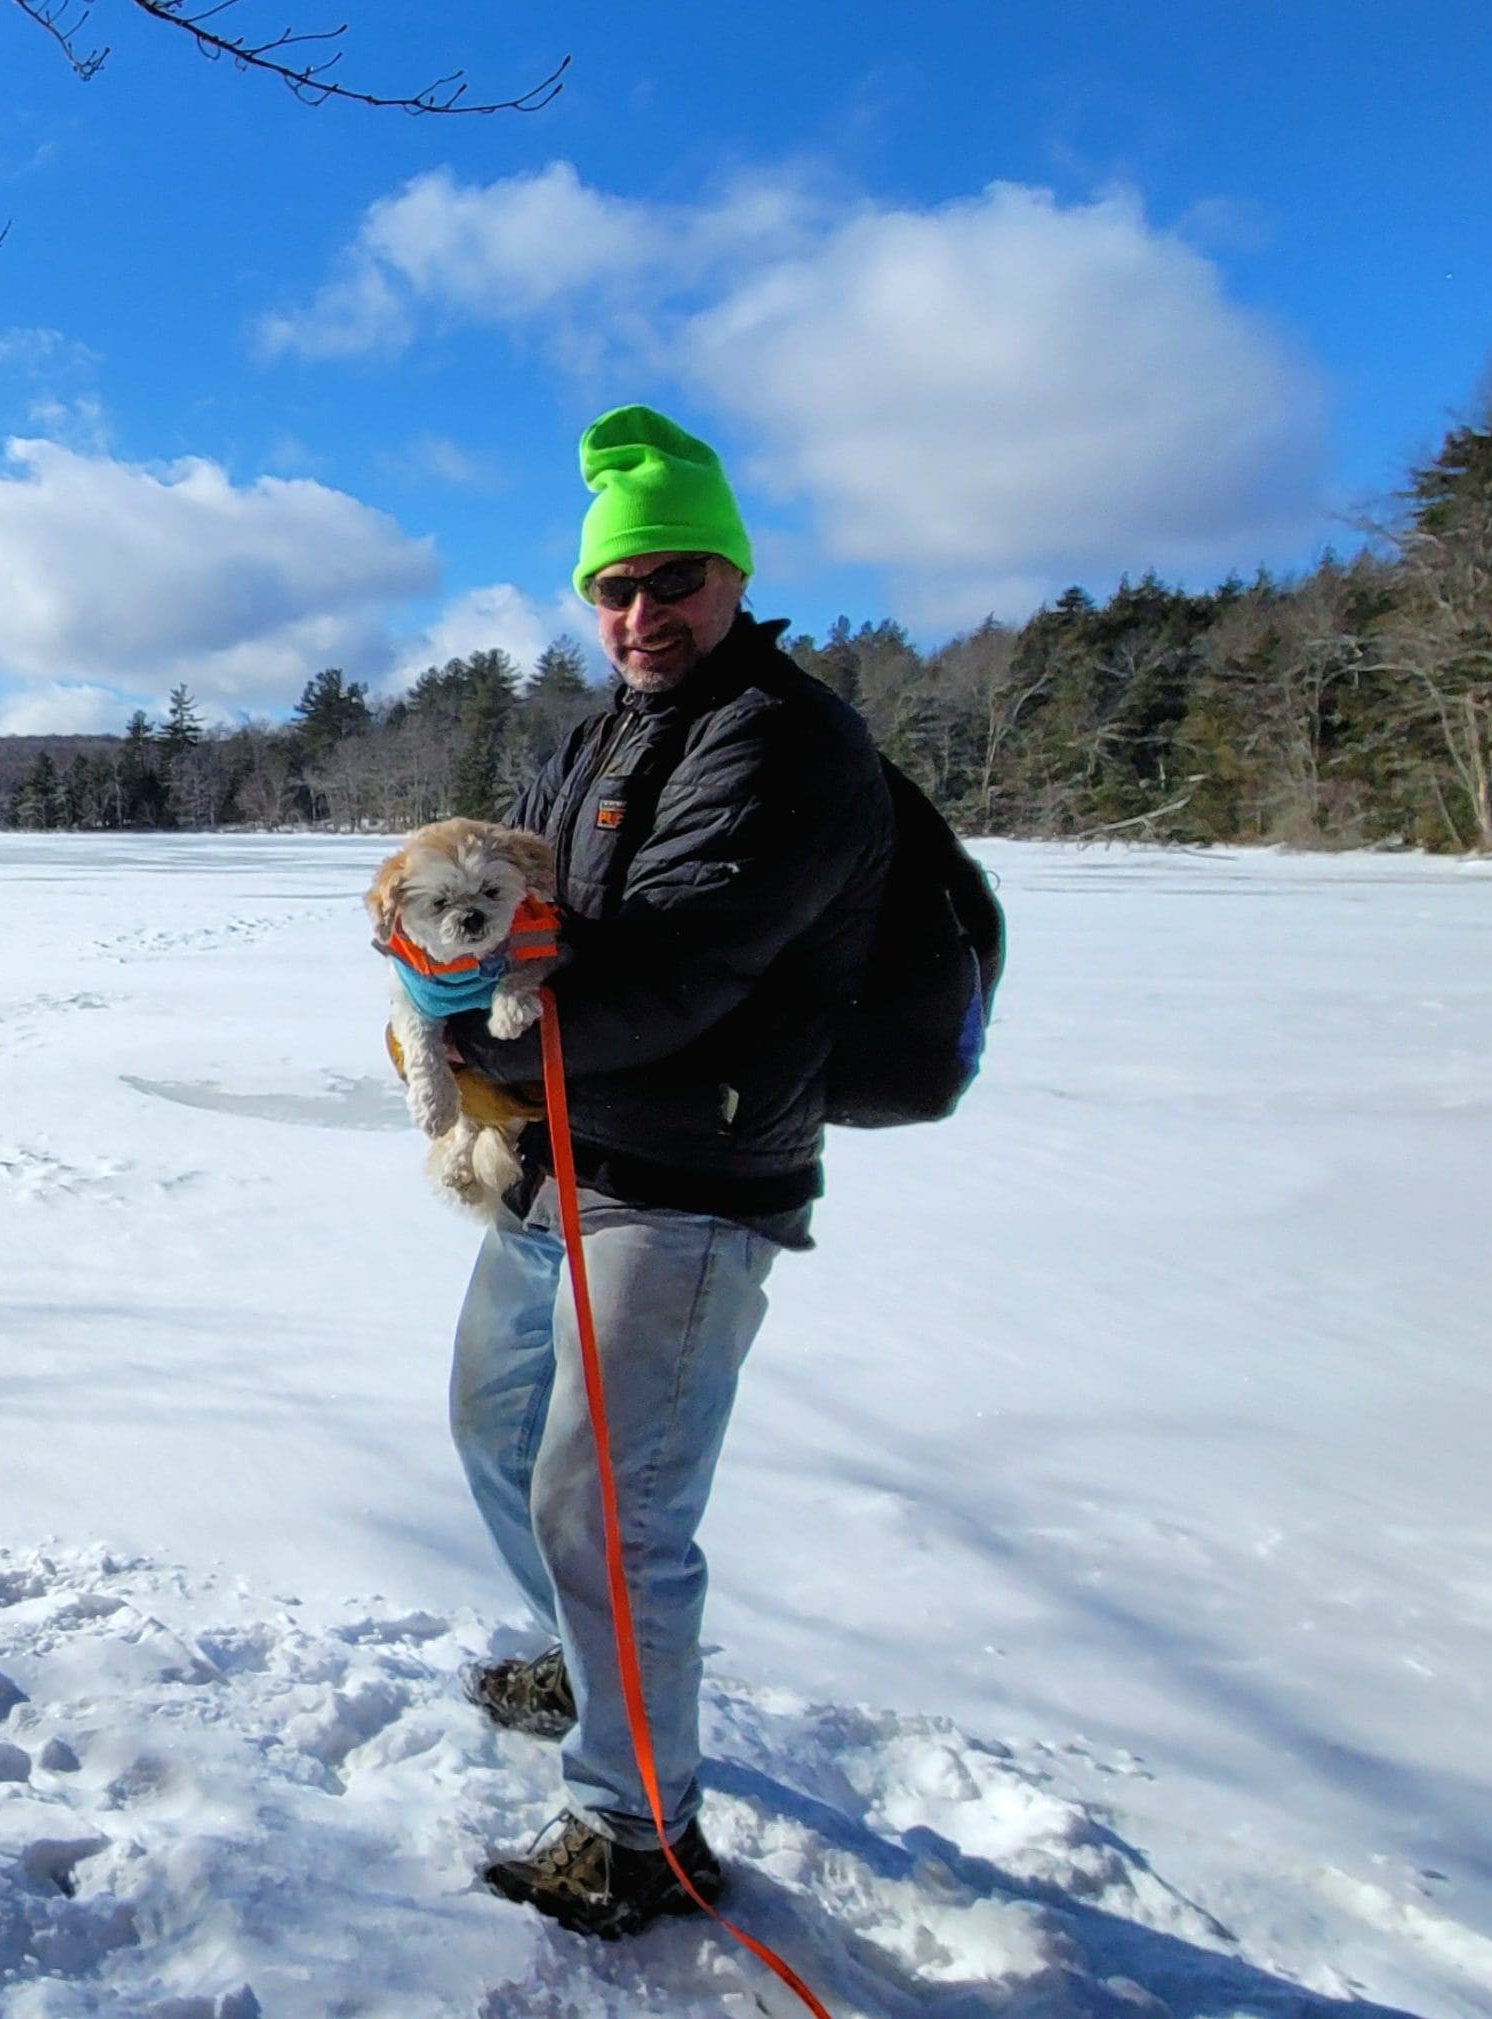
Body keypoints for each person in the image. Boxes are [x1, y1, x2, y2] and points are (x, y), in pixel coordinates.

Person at [445, 404, 895, 1938]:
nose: (642, 613)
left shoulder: (780, 739)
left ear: (735, 575)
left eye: (674, 579)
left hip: (691, 1181)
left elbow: (683, 970)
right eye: (614, 587)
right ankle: (590, 1667)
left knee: (607, 1508)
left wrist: (481, 1045)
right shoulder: (598, 739)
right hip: (561, 1160)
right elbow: (524, 914)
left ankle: (641, 1833)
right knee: (497, 1434)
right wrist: (441, 960)